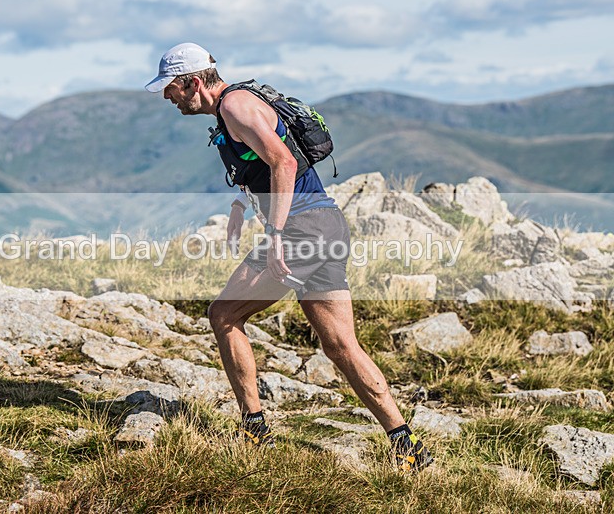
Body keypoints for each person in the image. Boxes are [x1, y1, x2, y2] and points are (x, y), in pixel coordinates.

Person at [146, 42, 432, 472]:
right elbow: (262, 164)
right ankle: (407, 445)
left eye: (170, 88)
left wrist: (276, 234)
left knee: (224, 315)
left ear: (191, 83)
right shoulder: (238, 104)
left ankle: (254, 430)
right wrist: (241, 207)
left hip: (301, 230)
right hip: (326, 223)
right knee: (340, 345)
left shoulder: (235, 106)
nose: (168, 97)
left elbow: (283, 163)